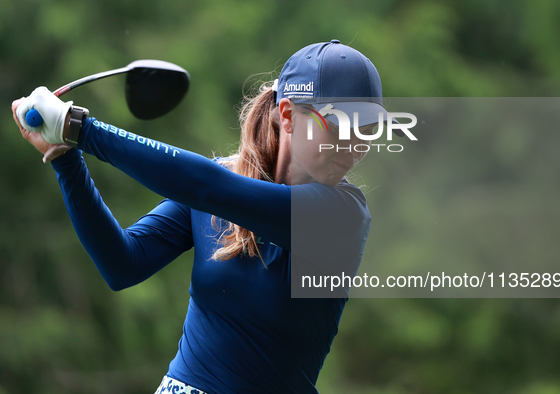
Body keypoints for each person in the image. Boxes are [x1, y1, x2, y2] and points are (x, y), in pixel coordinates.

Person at [12, 40, 386, 394]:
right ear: (287, 115)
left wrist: (81, 129)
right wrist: (64, 156)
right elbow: (122, 264)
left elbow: (208, 188)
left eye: (368, 128)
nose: (355, 145)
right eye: (338, 124)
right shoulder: (218, 184)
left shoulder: (344, 216)